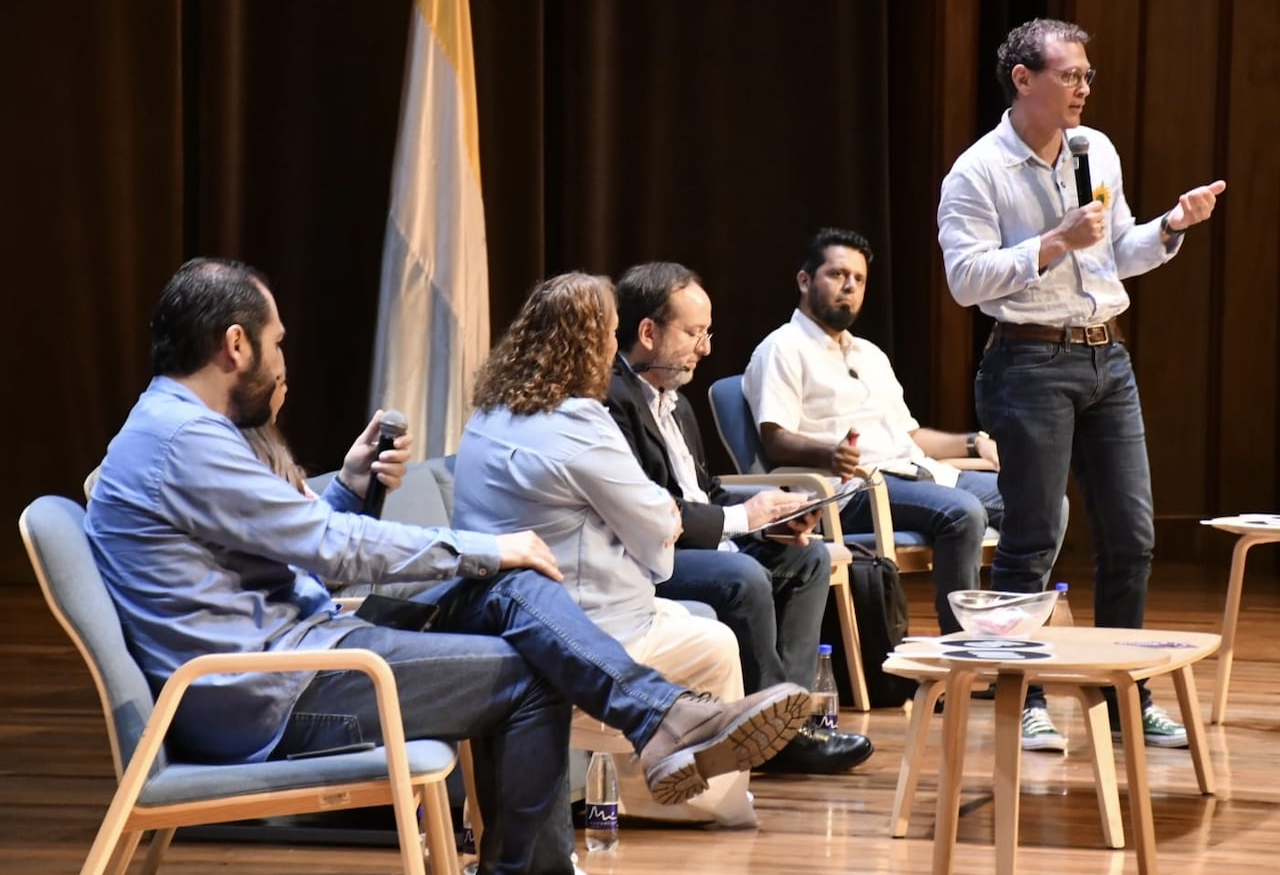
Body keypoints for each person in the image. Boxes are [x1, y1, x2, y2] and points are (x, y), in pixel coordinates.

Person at [86, 257, 809, 874]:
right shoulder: (187, 442)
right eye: (278, 342)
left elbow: (301, 543)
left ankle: (664, 721)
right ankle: (648, 738)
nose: (284, 359)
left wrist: (351, 485)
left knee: (510, 584)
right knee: (531, 668)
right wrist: (487, 545)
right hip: (274, 693)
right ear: (235, 345)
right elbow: (334, 551)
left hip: (301, 652)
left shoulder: (173, 430)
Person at [937, 18, 1226, 750]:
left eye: (1088, 75)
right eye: (1070, 75)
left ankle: (1126, 689)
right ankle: (1021, 693)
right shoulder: (977, 172)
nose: (1084, 87)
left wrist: (1170, 225)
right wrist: (1054, 240)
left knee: (1131, 535)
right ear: (1023, 79)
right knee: (1033, 537)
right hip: (1028, 362)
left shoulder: (1097, 150)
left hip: (1108, 359)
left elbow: (1114, 254)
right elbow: (966, 280)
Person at [452, 271, 809, 827]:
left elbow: (664, 514)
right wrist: (658, 520)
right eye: (609, 336)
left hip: (494, 616)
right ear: (587, 344)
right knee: (713, 642)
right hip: (582, 624)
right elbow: (657, 546)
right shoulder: (580, 421)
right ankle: (696, 806)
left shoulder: (486, 414)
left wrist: (658, 517)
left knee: (695, 612)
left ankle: (667, 759)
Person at [606, 261, 873, 774]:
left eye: (708, 333)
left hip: (700, 539)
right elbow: (646, 511)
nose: (705, 348)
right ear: (647, 332)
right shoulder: (612, 403)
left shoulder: (678, 403)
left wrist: (767, 519)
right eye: (693, 333)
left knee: (807, 557)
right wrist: (740, 518)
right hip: (650, 556)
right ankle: (777, 732)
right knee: (744, 574)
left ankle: (784, 718)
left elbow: (703, 491)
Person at [742, 228, 1015, 644]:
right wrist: (830, 454)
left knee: (1038, 504)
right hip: (852, 492)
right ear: (804, 280)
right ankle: (965, 652)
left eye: (859, 279)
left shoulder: (869, 354)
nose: (849, 286)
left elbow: (911, 435)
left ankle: (1009, 635)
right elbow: (775, 438)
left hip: (914, 473)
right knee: (963, 513)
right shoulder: (782, 348)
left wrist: (974, 442)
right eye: (837, 275)